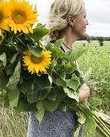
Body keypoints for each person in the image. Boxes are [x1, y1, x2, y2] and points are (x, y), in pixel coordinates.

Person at [27, 0, 90, 136]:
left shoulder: (67, 52)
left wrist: (95, 115)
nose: (87, 22)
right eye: (84, 17)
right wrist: (76, 96)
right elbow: (32, 99)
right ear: (71, 20)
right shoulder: (44, 55)